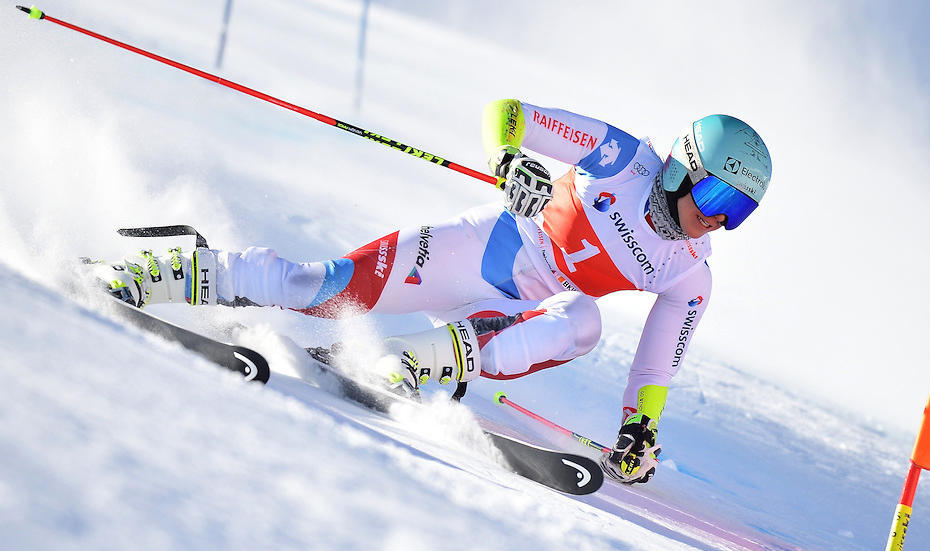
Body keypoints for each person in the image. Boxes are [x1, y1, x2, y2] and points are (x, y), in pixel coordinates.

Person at [88, 99, 772, 485]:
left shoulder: (689, 272)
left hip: (517, 311)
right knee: (319, 287)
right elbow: (510, 114)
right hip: (482, 250)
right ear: (682, 168)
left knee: (581, 322)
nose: (718, 219)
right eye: (717, 196)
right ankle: (164, 274)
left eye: (737, 212)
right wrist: (510, 162)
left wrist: (639, 430)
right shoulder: (622, 158)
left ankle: (404, 365)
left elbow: (656, 365)